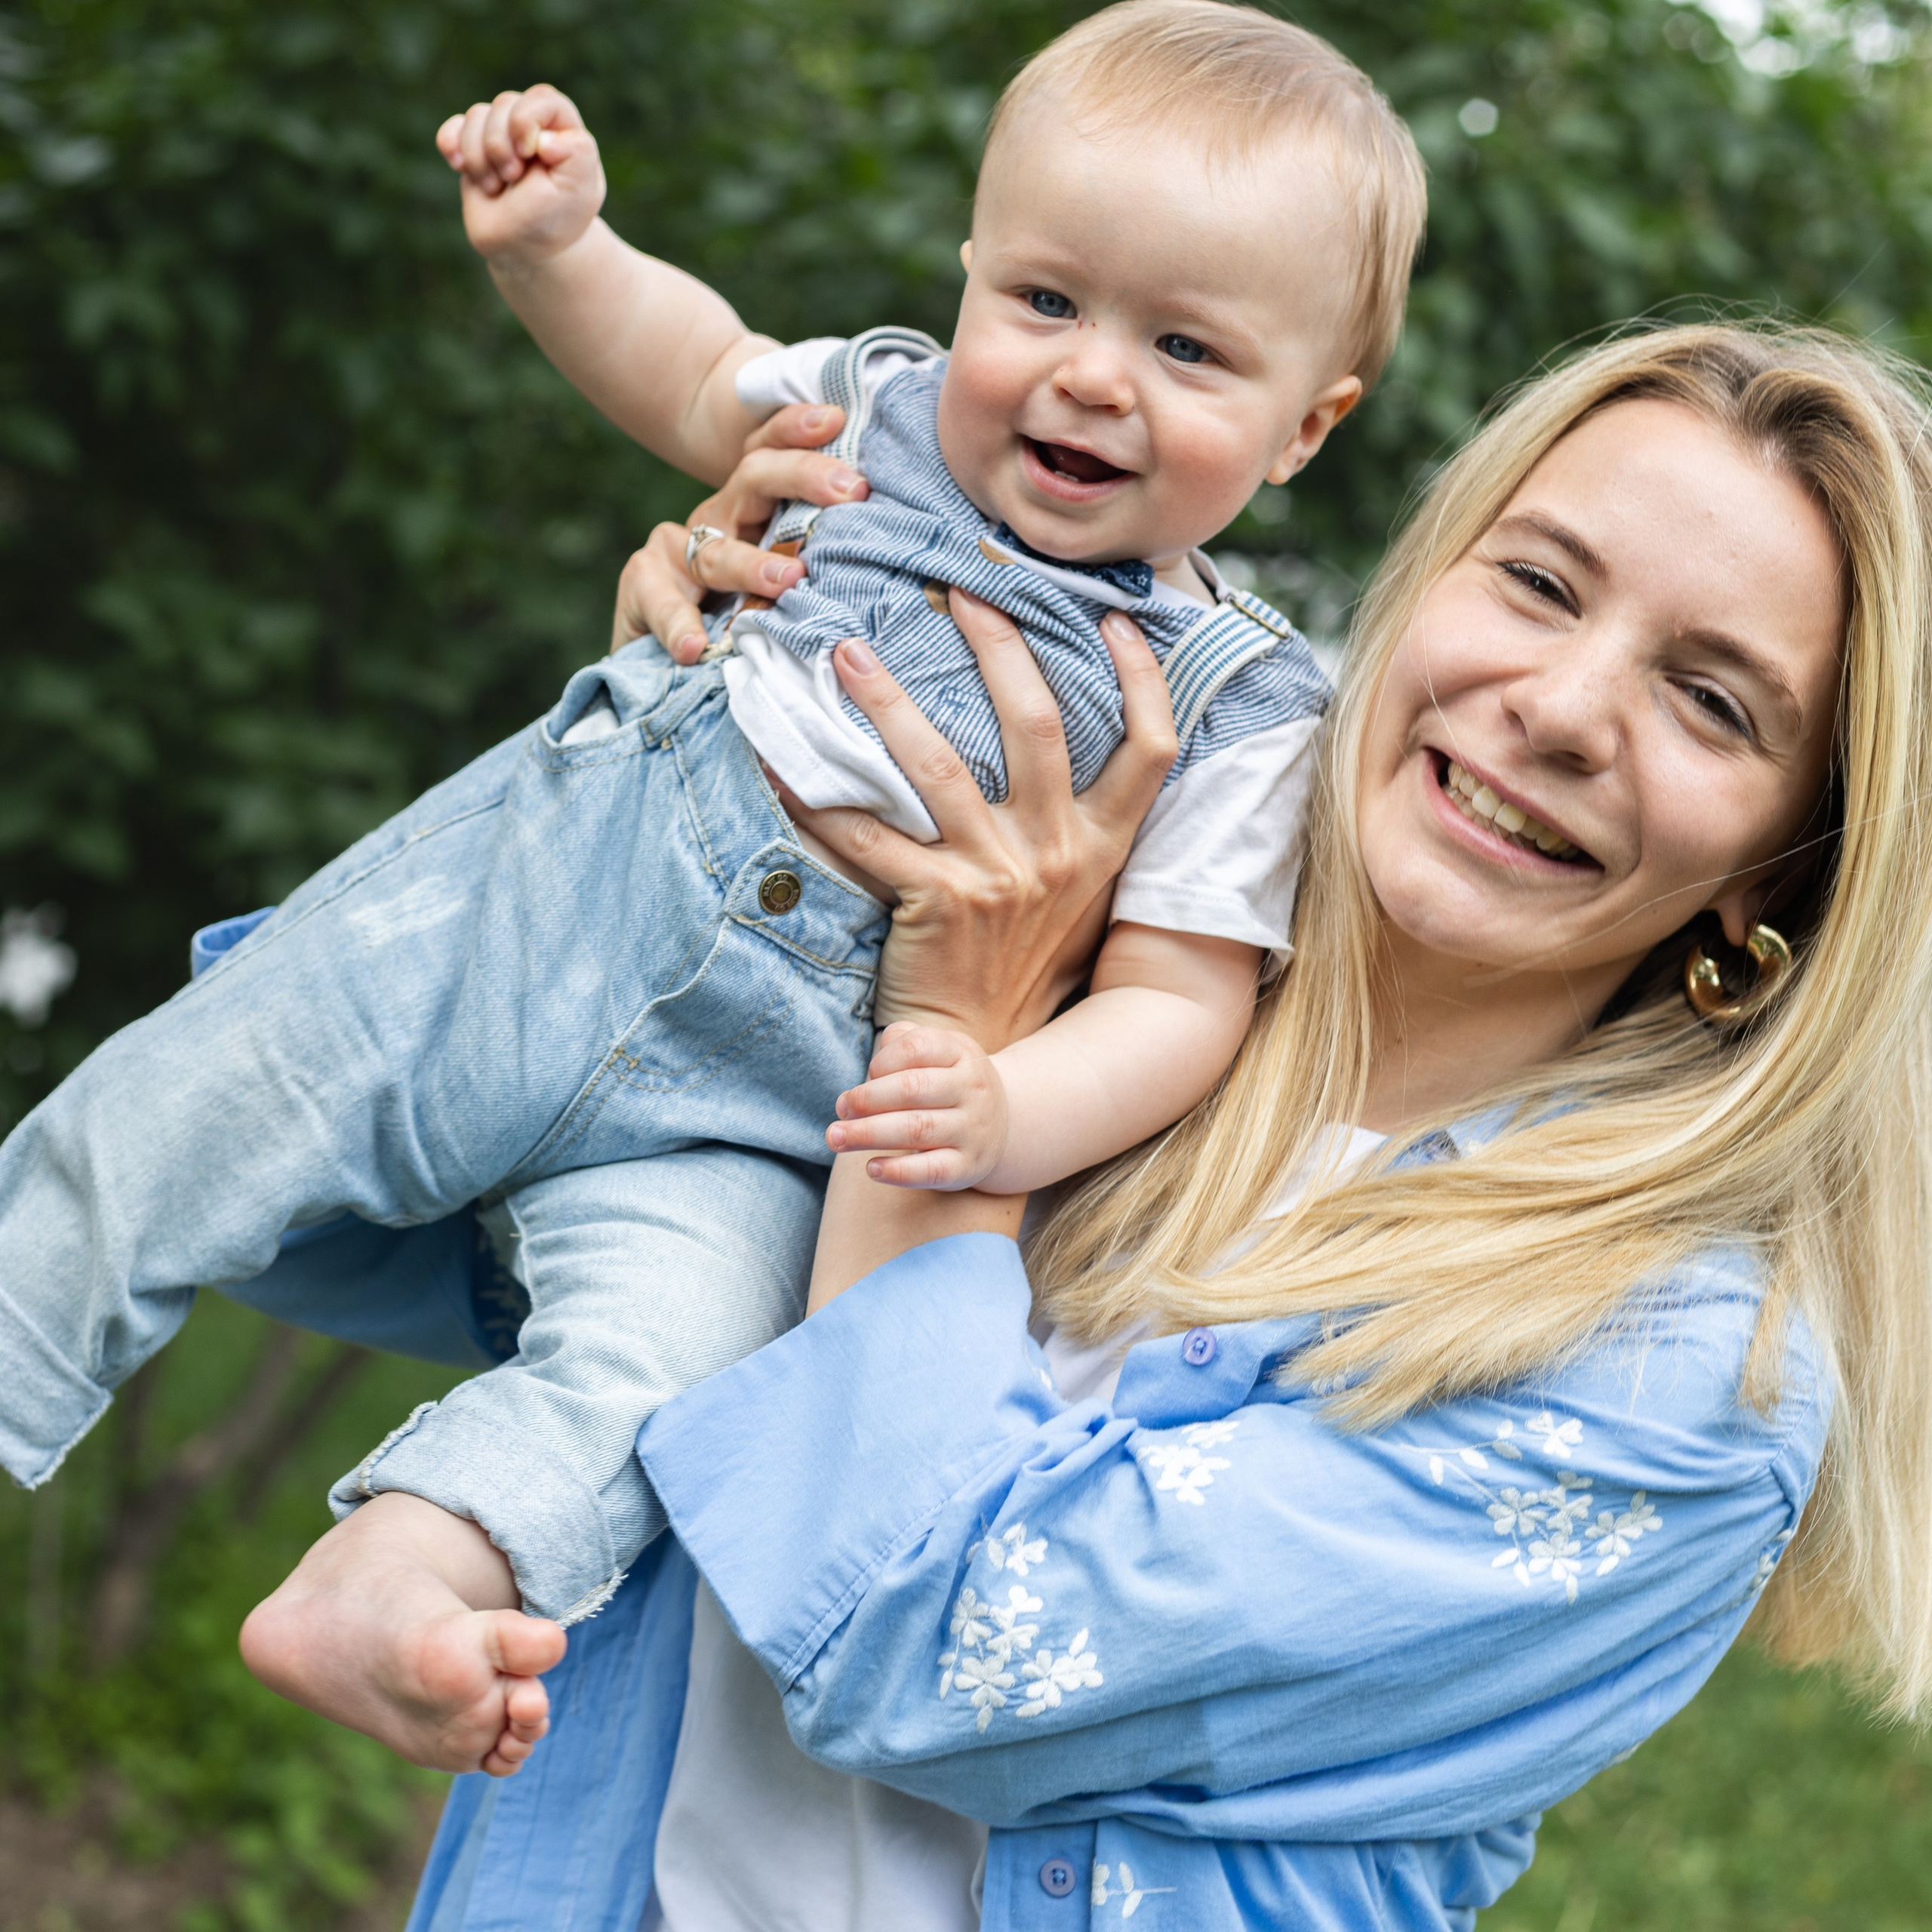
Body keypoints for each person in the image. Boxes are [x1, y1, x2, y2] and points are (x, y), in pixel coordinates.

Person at [0, 0, 1426, 1775]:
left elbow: (1177, 996)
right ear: (971, 272)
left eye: (1189, 349)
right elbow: (690, 370)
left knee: (657, 1373)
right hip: (542, 900)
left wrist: (996, 1097)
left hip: (774, 1116)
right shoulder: (875, 410)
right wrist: (563, 248)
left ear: (1307, 423)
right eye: (1045, 301)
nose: (1090, 375)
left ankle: (400, 1570)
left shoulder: (1237, 703)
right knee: (192, 1106)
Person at [369, 318, 1932, 1929]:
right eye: (1535, 583)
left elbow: (932, 1643)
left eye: (1710, 701)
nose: (1561, 705)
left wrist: (959, 1043)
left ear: (1781, 870)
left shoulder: (1673, 1370)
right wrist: (705, 719)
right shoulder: (1093, 909)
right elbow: (420, 1188)